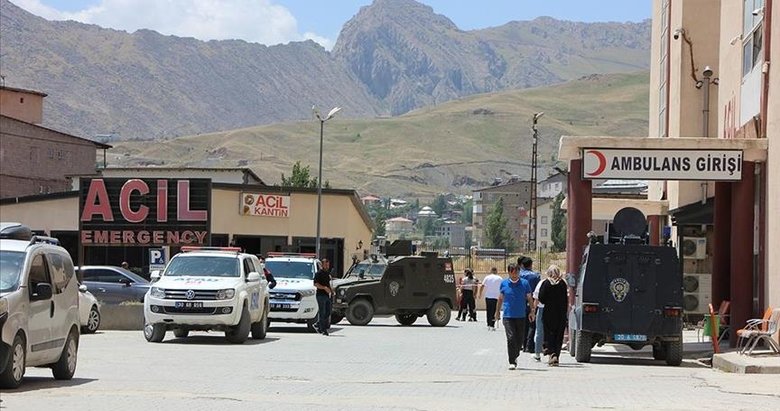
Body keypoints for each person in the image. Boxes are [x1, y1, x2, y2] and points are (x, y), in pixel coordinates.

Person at [496, 263, 534, 370]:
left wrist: (532, 311)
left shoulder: (525, 283)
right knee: (511, 338)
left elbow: (530, 298)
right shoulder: (504, 284)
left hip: (521, 315)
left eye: (516, 272)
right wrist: (497, 312)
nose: (514, 275)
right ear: (509, 272)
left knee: (520, 339)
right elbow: (500, 298)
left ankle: (515, 354)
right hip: (508, 315)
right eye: (512, 272)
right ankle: (512, 361)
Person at [538, 265, 568, 366]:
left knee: (549, 333)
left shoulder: (546, 283)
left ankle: (552, 354)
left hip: (548, 313)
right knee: (558, 335)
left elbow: (541, 298)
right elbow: (565, 300)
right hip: (561, 314)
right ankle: (556, 356)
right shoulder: (563, 283)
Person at [519, 257, 541, 352]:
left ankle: (522, 344)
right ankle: (529, 345)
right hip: (532, 301)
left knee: (521, 324)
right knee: (532, 324)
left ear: (522, 265)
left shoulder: (518, 275)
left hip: (520, 302)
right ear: (531, 265)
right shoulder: (536, 276)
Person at [313, 258, 333, 336]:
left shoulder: (327, 274)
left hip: (327, 296)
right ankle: (323, 330)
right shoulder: (318, 273)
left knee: (328, 312)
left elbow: (328, 284)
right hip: (320, 295)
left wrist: (331, 291)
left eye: (328, 265)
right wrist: (324, 288)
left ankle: (318, 324)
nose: (327, 266)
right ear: (322, 265)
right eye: (326, 265)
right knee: (322, 312)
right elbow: (315, 284)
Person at [532, 270, 547, 361]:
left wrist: (533, 310)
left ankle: (537, 353)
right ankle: (552, 353)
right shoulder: (561, 283)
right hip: (555, 310)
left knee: (539, 331)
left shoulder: (542, 283)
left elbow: (536, 298)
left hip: (542, 309)